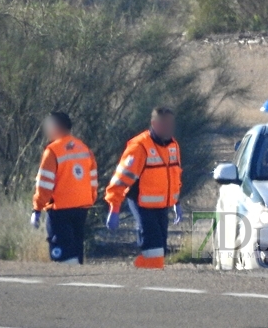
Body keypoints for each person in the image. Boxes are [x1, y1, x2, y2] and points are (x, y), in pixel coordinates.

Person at [104, 107, 183, 269]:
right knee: (154, 249)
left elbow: (175, 176)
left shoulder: (173, 145)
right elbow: (120, 180)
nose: (169, 128)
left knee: (160, 250)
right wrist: (114, 207)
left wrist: (177, 202)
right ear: (154, 124)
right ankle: (148, 279)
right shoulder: (139, 147)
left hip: (162, 207)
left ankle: (142, 274)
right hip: (142, 204)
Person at [31, 112, 98, 264]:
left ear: (56, 127)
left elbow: (44, 185)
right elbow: (93, 179)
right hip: (81, 209)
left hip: (60, 211)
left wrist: (37, 208)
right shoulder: (84, 148)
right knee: (76, 250)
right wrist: (89, 199)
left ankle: (68, 285)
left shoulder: (52, 151)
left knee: (63, 256)